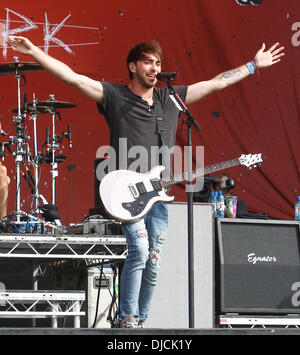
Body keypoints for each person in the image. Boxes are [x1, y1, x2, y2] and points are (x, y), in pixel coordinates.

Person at [8, 35, 284, 328]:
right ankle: (127, 318)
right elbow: (73, 78)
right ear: (133, 66)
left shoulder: (171, 98)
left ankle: (141, 321)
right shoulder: (114, 95)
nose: (154, 68)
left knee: (153, 261)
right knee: (139, 250)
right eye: (148, 62)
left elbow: (216, 82)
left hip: (157, 196)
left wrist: (253, 65)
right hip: (125, 192)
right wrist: (35, 51)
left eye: (158, 63)